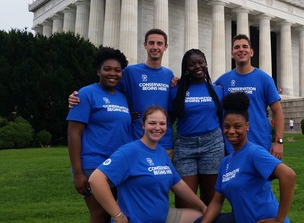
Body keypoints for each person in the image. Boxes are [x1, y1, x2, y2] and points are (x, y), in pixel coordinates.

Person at [89, 106, 207, 223]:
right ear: (143, 125)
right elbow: (96, 179)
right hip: (136, 220)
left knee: (202, 217)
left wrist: (202, 206)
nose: (157, 128)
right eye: (152, 123)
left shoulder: (161, 152)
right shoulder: (130, 152)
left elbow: (178, 184)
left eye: (162, 124)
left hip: (163, 217)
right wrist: (118, 215)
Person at [69, 29, 175, 158]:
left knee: (163, 177)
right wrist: (78, 97)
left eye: (159, 43)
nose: (155, 47)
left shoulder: (169, 75)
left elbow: (174, 104)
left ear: (165, 47)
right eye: (151, 43)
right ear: (145, 45)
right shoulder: (130, 72)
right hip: (137, 139)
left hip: (164, 142)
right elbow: (106, 88)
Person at [195, 92, 296, 223]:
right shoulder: (225, 163)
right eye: (227, 126)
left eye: (237, 126)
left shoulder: (254, 153)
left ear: (247, 126)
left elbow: (289, 176)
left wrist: (279, 220)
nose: (231, 131)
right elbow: (216, 202)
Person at [67, 47, 131, 222]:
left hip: (119, 166)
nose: (113, 74)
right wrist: (78, 173)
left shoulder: (122, 97)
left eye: (117, 70)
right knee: (100, 214)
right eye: (107, 69)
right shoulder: (85, 94)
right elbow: (74, 134)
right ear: (98, 70)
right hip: (94, 165)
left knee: (119, 213)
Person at [169, 49, 224, 207]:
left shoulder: (217, 90)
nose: (197, 66)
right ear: (186, 68)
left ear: (206, 64)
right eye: (191, 64)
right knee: (185, 201)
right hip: (185, 146)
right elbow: (169, 118)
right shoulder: (176, 90)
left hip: (212, 145)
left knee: (211, 199)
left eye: (200, 62)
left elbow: (221, 118)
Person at [214, 34, 284, 159]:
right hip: (231, 147)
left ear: (251, 52)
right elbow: (205, 94)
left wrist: (279, 142)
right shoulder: (223, 80)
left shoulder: (264, 79)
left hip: (260, 144)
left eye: (245, 47)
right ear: (232, 53)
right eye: (237, 47)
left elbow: (277, 111)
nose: (241, 50)